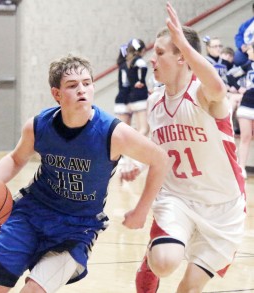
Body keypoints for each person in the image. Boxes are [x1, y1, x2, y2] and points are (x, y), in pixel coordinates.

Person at [0, 54, 169, 293]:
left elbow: (160, 159)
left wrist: (141, 210)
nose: (82, 90)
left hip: (78, 226)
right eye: (72, 85)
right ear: (56, 94)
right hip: (31, 212)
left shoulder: (113, 133)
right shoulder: (38, 126)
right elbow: (16, 159)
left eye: (87, 83)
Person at [121, 3, 246, 293]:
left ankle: (157, 254)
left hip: (224, 207)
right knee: (165, 262)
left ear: (182, 57)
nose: (153, 60)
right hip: (177, 199)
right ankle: (151, 260)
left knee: (188, 289)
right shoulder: (155, 101)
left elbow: (216, 85)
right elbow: (158, 148)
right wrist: (136, 165)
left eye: (161, 53)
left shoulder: (203, 95)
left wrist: (187, 47)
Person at [227, 42, 254, 179]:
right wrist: (238, 88)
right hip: (247, 103)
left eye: (249, 50)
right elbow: (231, 76)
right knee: (245, 137)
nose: (247, 52)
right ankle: (241, 168)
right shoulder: (247, 65)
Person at [114, 43, 132, 125]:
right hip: (123, 101)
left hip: (123, 100)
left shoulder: (124, 66)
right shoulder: (124, 66)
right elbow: (125, 85)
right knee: (125, 128)